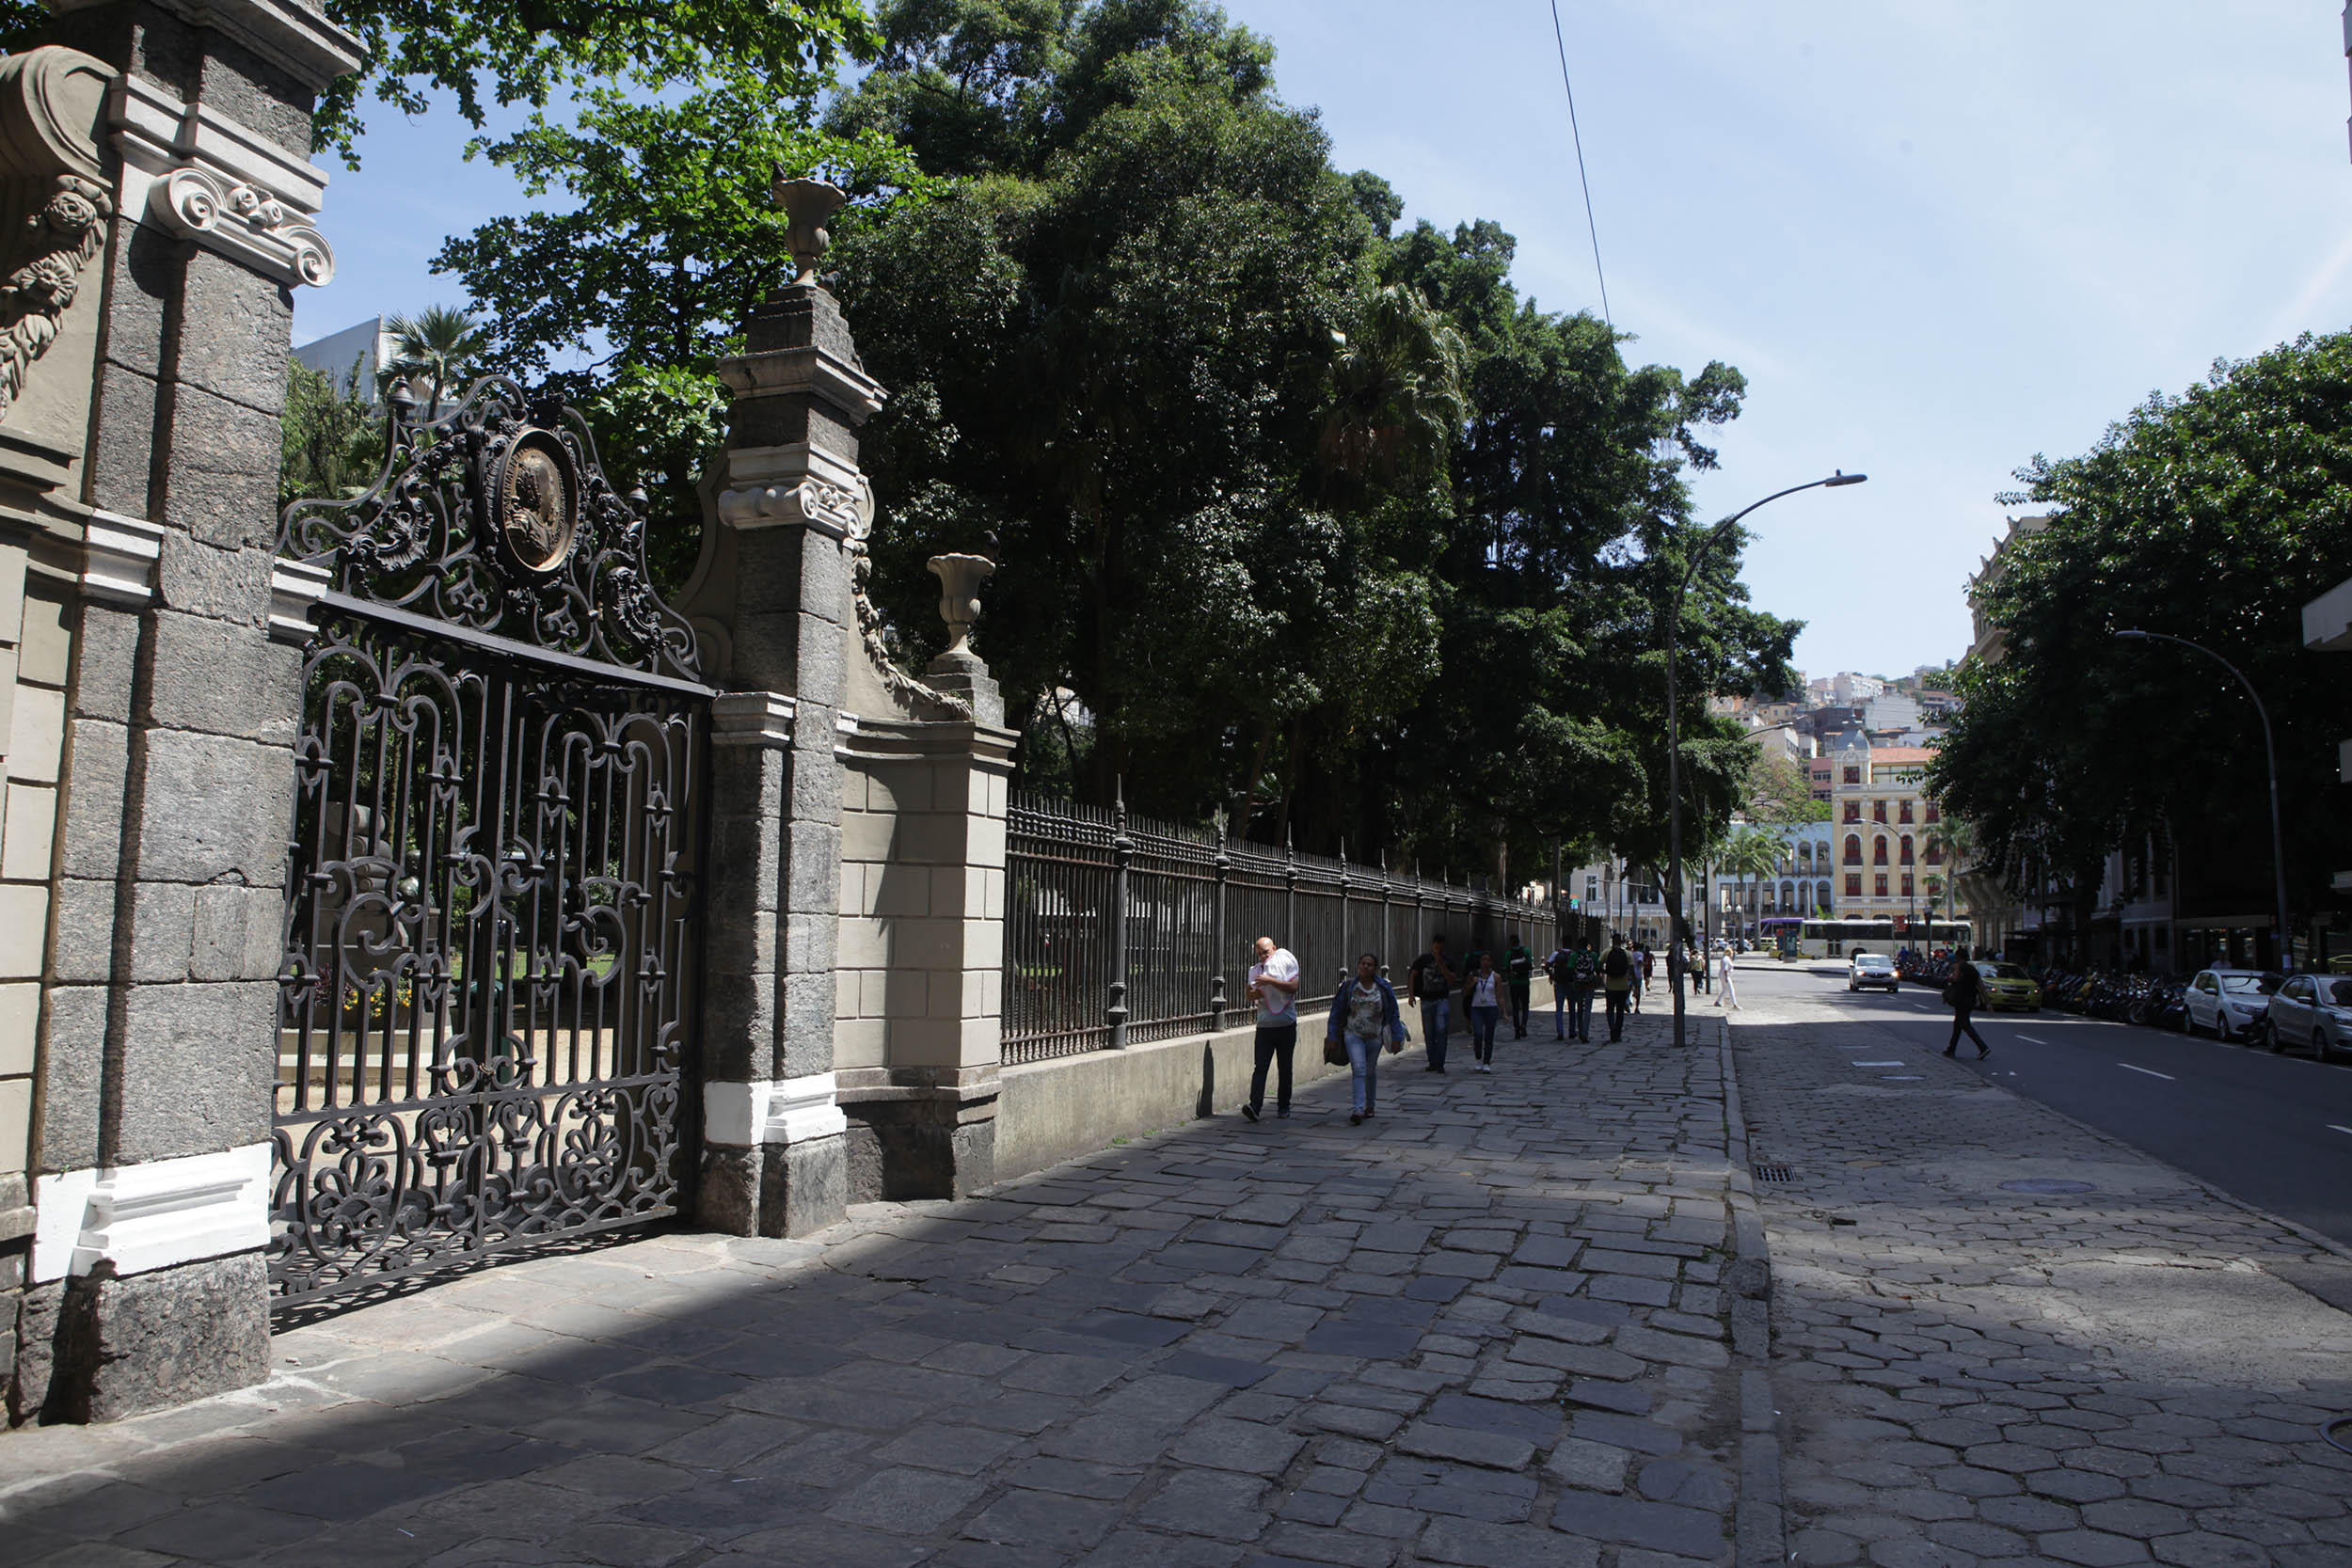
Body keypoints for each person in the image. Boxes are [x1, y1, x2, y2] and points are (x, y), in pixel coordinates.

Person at [1327, 952, 1406, 1125]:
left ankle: (1370, 1106)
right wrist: (1332, 1035)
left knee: (1370, 1071)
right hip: (1353, 1034)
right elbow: (1336, 1012)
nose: (1365, 966)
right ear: (1358, 965)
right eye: (1363, 963)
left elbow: (1393, 1012)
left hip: (1375, 1036)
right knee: (1359, 1069)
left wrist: (1397, 1036)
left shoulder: (1383, 987)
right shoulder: (1349, 986)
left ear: (1375, 968)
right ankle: (1358, 1109)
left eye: (1369, 964)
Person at [1240, 934, 1300, 1122]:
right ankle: (1255, 1106)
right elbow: (1249, 995)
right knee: (1260, 1067)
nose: (1263, 957)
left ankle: (1284, 1106)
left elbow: (1293, 987)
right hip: (1264, 1026)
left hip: (1286, 1025)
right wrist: (1263, 987)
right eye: (1259, 954)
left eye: (1265, 952)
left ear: (1274, 948)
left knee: (1285, 1067)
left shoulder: (1285, 963)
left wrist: (1270, 982)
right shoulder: (1256, 970)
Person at [1406, 935, 1460, 1073]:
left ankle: (1440, 1063)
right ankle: (1432, 1062)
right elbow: (1412, 975)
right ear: (1432, 945)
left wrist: (1441, 964)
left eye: (1440, 948)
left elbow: (1452, 980)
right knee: (1429, 1032)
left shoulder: (1449, 961)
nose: (1438, 950)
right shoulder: (1423, 959)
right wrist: (1411, 994)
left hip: (1442, 999)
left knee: (1441, 1030)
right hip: (1426, 999)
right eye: (1436, 947)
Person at [1943, 946, 1991, 1059]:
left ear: (1958, 957)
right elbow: (1982, 987)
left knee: (1965, 1024)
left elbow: (1954, 978)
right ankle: (1951, 1049)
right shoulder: (1973, 969)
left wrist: (1949, 978)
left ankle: (1983, 1047)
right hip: (1971, 999)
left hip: (1961, 998)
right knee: (1957, 1025)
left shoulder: (1959, 966)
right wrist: (1988, 1003)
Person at [1464, 952, 1503, 1071]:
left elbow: (1499, 995)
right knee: (1478, 1033)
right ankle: (1478, 1058)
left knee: (1489, 1036)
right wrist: (1472, 983)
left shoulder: (1496, 977)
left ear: (1491, 962)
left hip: (1491, 1008)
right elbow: (1465, 992)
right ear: (1480, 961)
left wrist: (1504, 1012)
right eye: (1483, 960)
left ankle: (1487, 1062)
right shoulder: (1473, 975)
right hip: (1477, 1008)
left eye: (1488, 960)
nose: (1485, 962)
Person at [1602, 935, 1635, 1042]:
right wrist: (1634, 984)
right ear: (1621, 942)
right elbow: (1632, 970)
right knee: (1620, 1011)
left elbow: (1599, 963)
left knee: (1610, 1009)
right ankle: (1618, 1033)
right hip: (1623, 986)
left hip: (1610, 986)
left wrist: (1604, 972)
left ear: (1612, 941)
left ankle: (1612, 1028)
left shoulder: (1607, 952)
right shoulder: (1628, 954)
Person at [1505, 942, 1534, 1039]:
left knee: (1515, 1007)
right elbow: (1530, 965)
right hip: (1524, 983)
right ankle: (1524, 1025)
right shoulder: (1526, 951)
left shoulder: (1509, 953)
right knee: (1525, 1006)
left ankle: (1517, 1029)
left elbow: (1505, 967)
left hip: (1513, 983)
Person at [1713, 945, 1739, 1010]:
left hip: (1722, 975)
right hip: (1726, 976)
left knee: (1725, 990)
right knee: (1731, 990)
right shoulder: (1726, 959)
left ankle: (1717, 1001)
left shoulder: (1724, 958)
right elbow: (1725, 969)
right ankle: (1734, 1004)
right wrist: (1726, 977)